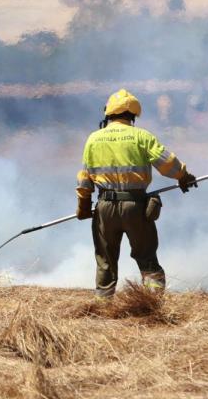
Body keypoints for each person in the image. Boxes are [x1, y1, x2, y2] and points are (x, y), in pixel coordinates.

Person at [75, 89, 197, 298]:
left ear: (109, 114)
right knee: (147, 257)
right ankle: (153, 305)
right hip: (136, 207)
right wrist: (183, 176)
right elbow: (167, 163)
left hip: (104, 209)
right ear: (132, 115)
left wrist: (84, 204)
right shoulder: (141, 136)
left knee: (105, 261)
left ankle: (103, 307)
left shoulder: (93, 139)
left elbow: (84, 177)